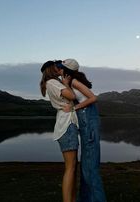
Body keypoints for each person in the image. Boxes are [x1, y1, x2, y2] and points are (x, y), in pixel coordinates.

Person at [55, 59, 106, 202]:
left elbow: (93, 98)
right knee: (86, 165)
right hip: (85, 122)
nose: (58, 71)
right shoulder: (69, 83)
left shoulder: (75, 81)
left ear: (66, 70)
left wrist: (74, 108)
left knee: (90, 167)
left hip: (89, 121)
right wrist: (65, 85)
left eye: (60, 68)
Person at [40, 60, 79, 202]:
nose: (60, 68)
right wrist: (67, 83)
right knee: (70, 167)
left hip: (68, 123)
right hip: (66, 126)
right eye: (57, 66)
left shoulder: (53, 83)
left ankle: (73, 199)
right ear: (52, 69)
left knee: (73, 167)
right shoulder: (52, 83)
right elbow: (72, 96)